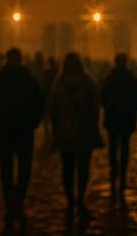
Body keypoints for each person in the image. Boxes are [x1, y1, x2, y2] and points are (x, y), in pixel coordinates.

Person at [0, 47, 43, 227]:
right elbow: (39, 103)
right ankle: (18, 200)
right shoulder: (29, 79)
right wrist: (33, 122)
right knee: (24, 169)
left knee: (6, 168)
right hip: (24, 130)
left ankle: (10, 202)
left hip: (5, 131)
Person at [49, 53, 103, 223]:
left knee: (68, 167)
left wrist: (56, 128)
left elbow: (53, 109)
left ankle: (70, 198)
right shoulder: (87, 83)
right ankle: (80, 196)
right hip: (84, 131)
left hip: (66, 132)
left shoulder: (59, 84)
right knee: (83, 167)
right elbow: (95, 107)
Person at [100, 53, 137, 196]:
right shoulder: (131, 78)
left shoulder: (110, 78)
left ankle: (114, 169)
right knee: (124, 146)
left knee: (113, 146)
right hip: (126, 118)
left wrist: (109, 107)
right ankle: (122, 171)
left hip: (113, 118)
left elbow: (103, 97)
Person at [41, 57, 59, 142]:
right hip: (55, 97)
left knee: (46, 117)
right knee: (54, 117)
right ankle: (53, 133)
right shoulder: (58, 73)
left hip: (48, 97)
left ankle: (47, 134)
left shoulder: (46, 73)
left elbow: (43, 85)